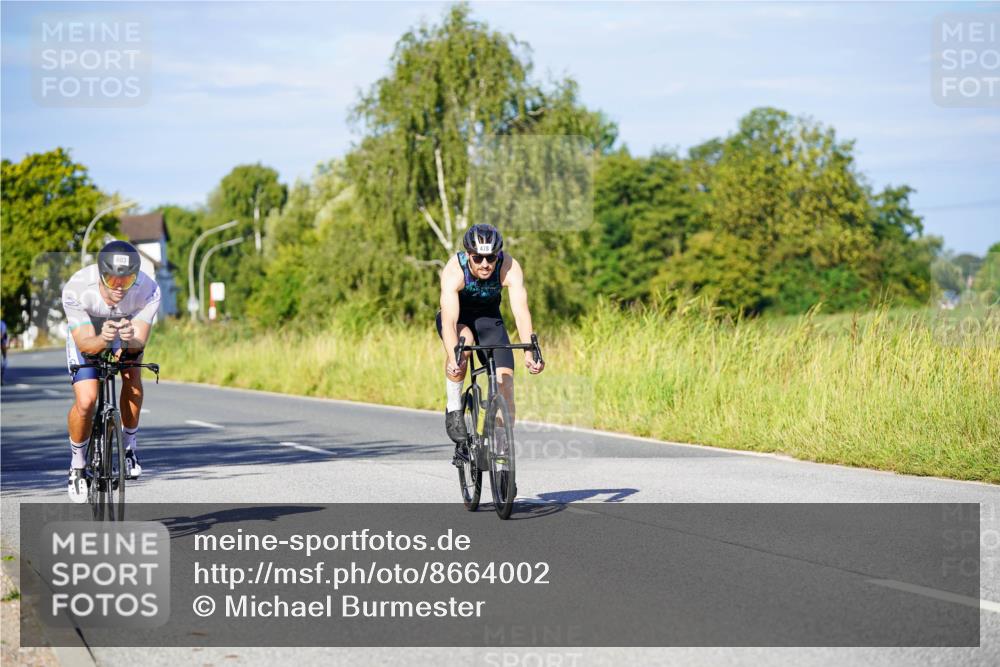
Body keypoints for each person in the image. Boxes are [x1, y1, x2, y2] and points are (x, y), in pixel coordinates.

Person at [435, 224, 544, 465]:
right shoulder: (455, 270)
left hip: (489, 320)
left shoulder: (509, 267)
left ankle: (501, 455)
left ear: (498, 256)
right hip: (459, 319)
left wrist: (529, 351)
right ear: (468, 255)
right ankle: (454, 408)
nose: (485, 264)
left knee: (505, 381)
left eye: (490, 257)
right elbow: (450, 321)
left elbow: (521, 313)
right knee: (464, 347)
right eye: (478, 258)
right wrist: (454, 359)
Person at [61, 240, 160, 503]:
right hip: (90, 331)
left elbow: (139, 342)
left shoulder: (148, 289)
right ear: (100, 274)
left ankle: (129, 448)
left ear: (135, 278)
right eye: (112, 280)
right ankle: (78, 464)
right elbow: (84, 344)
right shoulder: (77, 288)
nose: (119, 288)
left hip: (124, 326)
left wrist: (129, 341)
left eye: (126, 281)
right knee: (87, 400)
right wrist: (103, 340)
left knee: (133, 376)